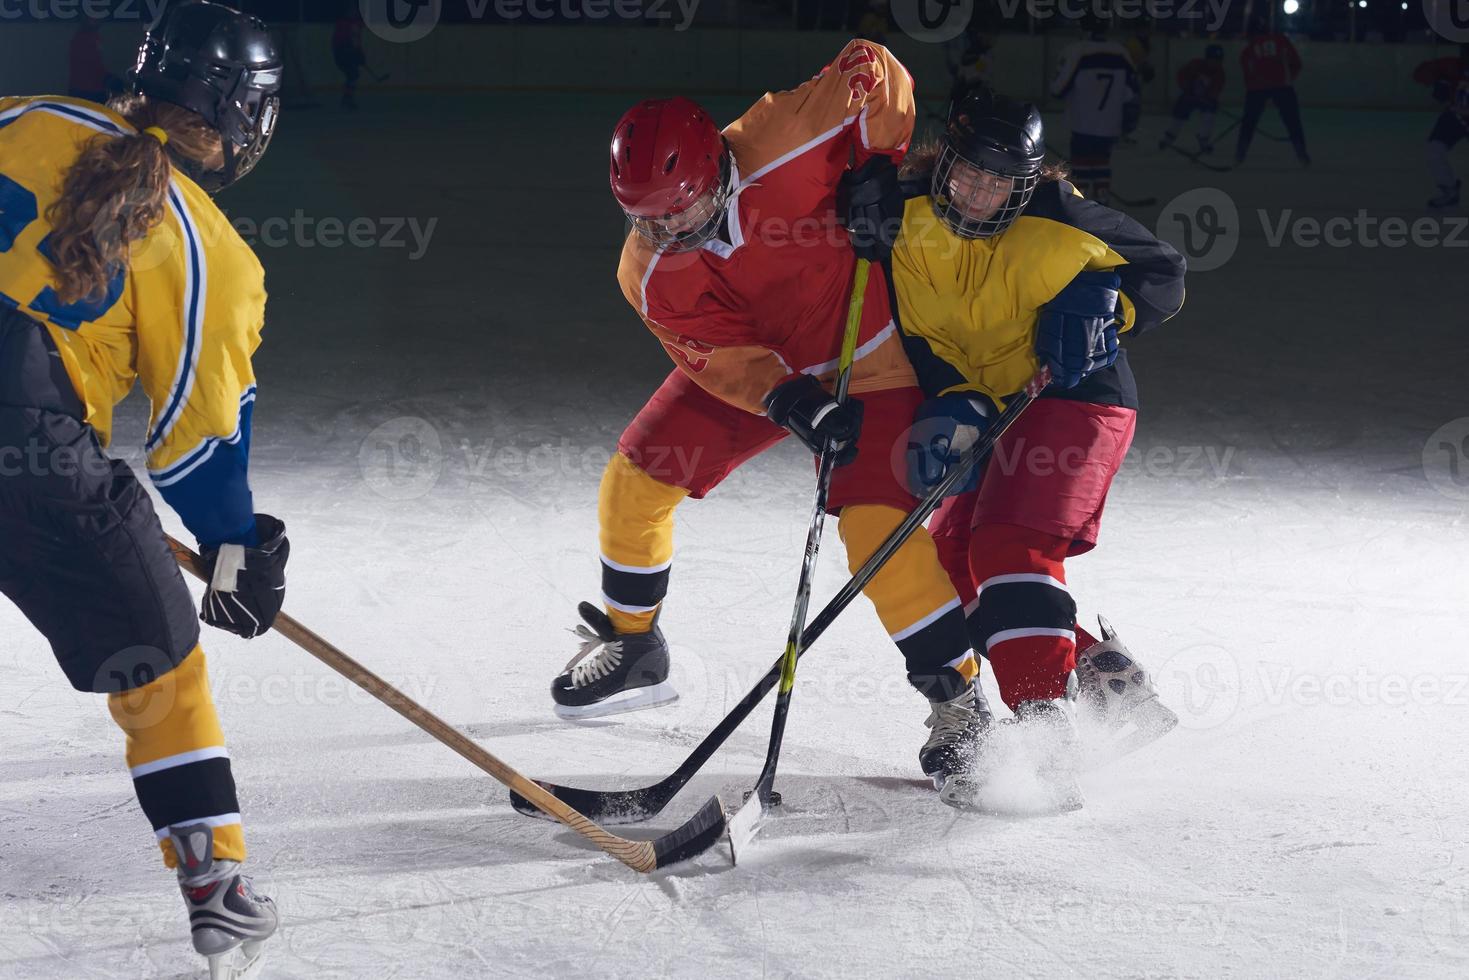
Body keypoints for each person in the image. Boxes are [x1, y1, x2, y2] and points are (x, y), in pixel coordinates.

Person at [555, 40, 1007, 796]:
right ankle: (635, 648)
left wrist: (876, 160)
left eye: (684, 210)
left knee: (874, 532)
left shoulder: (781, 135)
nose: (670, 231)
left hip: (871, 359)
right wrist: (788, 397)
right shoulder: (648, 268)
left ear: (716, 170)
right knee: (633, 482)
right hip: (768, 370)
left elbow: (875, 67)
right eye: (649, 221)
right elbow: (715, 355)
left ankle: (960, 704)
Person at [0, 3, 286, 976]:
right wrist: (237, 547)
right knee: (157, 661)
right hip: (23, 452)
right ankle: (219, 889)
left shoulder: (20, 115)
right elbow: (197, 451)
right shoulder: (206, 247)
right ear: (244, 115)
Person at [841, 86, 1185, 809]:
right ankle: (1100, 671)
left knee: (1009, 546)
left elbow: (1162, 275)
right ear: (945, 163)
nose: (979, 193)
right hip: (987, 405)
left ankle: (1044, 730)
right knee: (948, 567)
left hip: (1074, 394)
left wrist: (1101, 305)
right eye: (968, 173)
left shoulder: (1059, 216)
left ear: (1028, 182)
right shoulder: (900, 215)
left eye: (1001, 181)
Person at [1049, 13, 1140, 204]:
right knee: (1102, 162)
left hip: (1082, 122)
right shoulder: (1121, 52)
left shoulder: (1077, 51)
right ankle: (1102, 199)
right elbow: (1131, 93)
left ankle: (1079, 204)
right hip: (1110, 123)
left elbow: (1058, 89)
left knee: (1081, 166)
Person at [1236, 18, 1309, 167]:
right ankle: (1302, 155)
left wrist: (1253, 90)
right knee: (1293, 122)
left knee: (1249, 123)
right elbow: (1296, 63)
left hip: (1257, 88)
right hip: (1282, 86)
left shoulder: (1248, 50)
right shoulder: (1281, 40)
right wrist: (1288, 79)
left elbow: (1247, 73)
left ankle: (1239, 155)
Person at [1412, 43, 1469, 209]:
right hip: (1455, 116)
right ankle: (1449, 190)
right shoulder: (1451, 65)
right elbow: (1421, 73)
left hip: (1456, 115)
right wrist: (1439, 81)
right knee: (1434, 150)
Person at [1159, 44, 1225, 157]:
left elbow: (1216, 89)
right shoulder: (1195, 64)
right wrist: (1186, 86)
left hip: (1204, 99)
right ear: (1207, 58)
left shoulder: (1220, 73)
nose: (1215, 63)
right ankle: (1169, 137)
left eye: (1218, 61)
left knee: (1209, 114)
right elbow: (1181, 75)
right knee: (1179, 115)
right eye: (1213, 60)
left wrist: (1210, 97)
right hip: (1189, 96)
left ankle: (1203, 138)